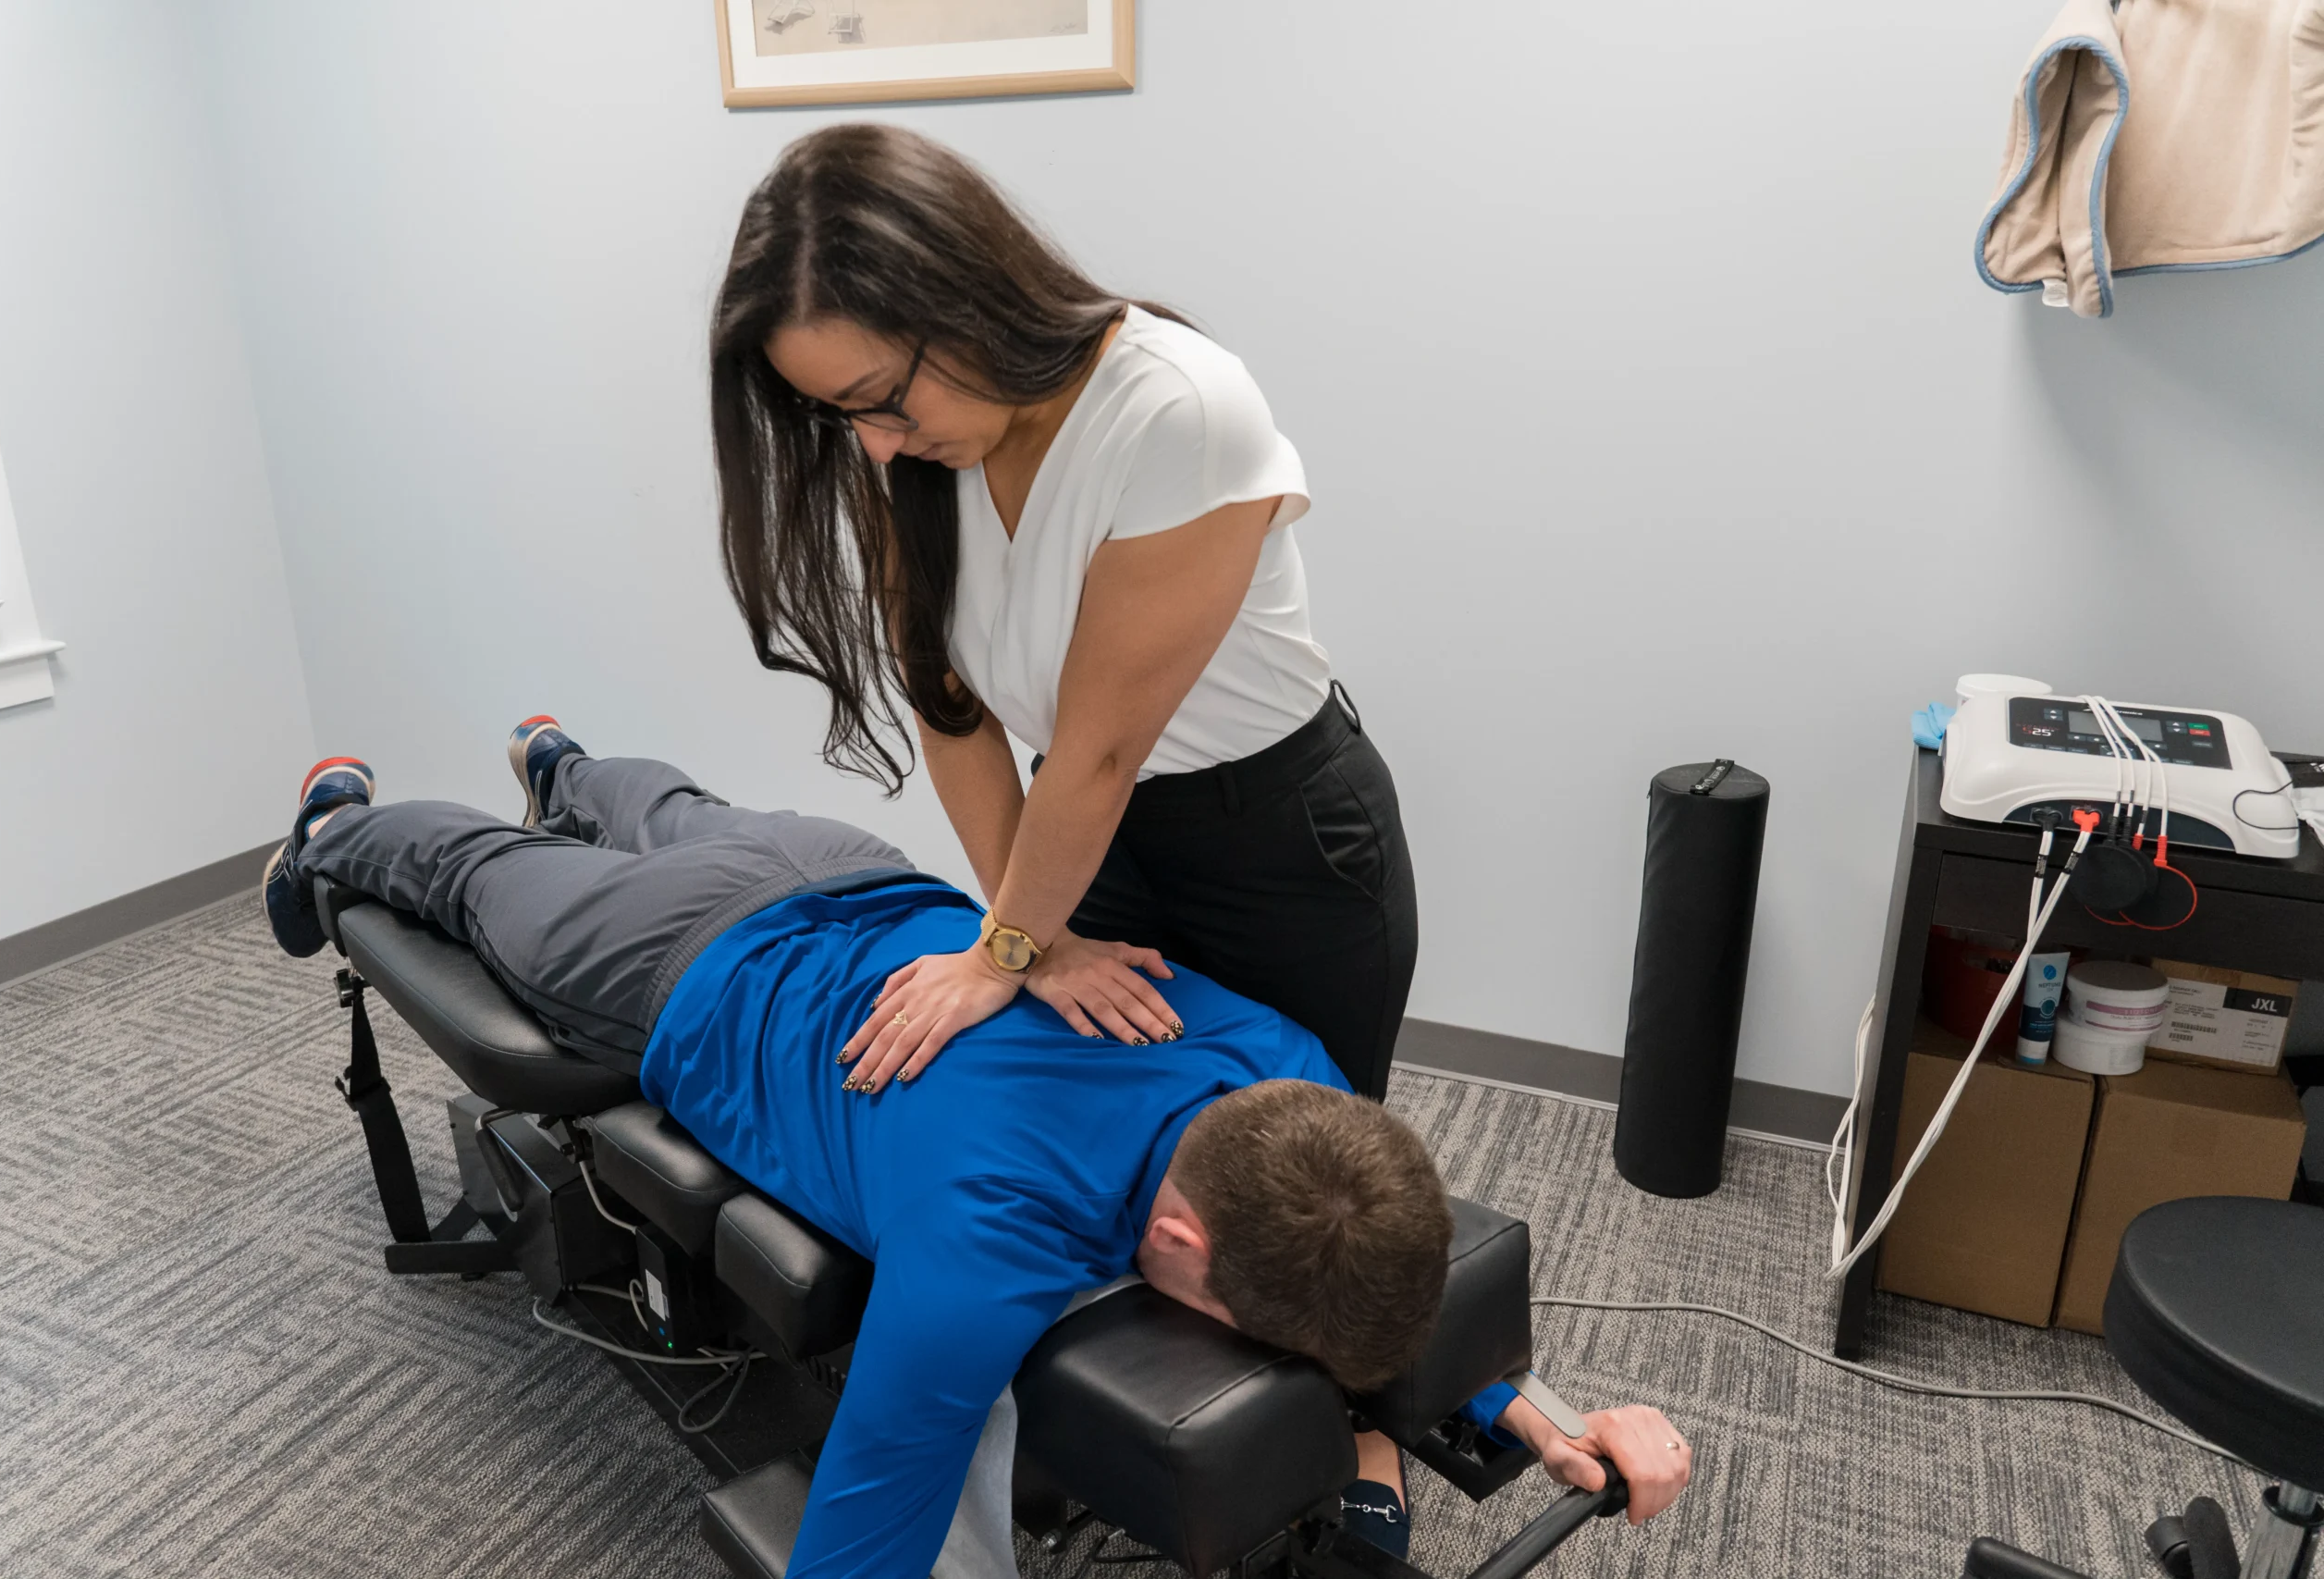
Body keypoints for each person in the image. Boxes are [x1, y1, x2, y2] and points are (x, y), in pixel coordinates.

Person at [260, 720, 1693, 1579]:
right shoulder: (985, 1236)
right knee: (474, 875)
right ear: (1184, 1250)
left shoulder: (1292, 1071)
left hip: (870, 877)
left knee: (680, 812)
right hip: (687, 971)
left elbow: (1377, 1270)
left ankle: (566, 760)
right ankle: (336, 821)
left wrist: (1542, 1415)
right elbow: (862, 1531)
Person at [710, 123, 1418, 1103]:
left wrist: (997, 955)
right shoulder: (913, 455)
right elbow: (950, 711)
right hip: (1082, 837)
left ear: (963, 297)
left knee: (1295, 1184)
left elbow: (1101, 751)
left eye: (881, 399)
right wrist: (1029, 940)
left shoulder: (1177, 410)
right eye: (841, 415)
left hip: (1277, 848)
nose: (873, 447)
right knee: (1114, 1155)